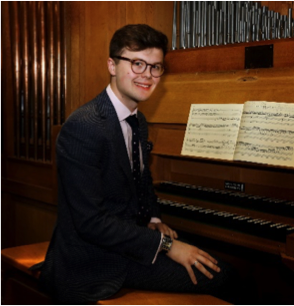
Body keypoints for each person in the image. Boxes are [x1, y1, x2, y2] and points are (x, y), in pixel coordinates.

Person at [39, 24, 236, 304]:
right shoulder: (84, 127)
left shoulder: (138, 121)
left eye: (155, 67)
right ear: (112, 65)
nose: (147, 75)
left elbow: (141, 179)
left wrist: (154, 219)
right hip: (96, 260)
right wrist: (166, 245)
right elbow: (91, 223)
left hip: (128, 243)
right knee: (225, 277)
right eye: (137, 63)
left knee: (218, 267)